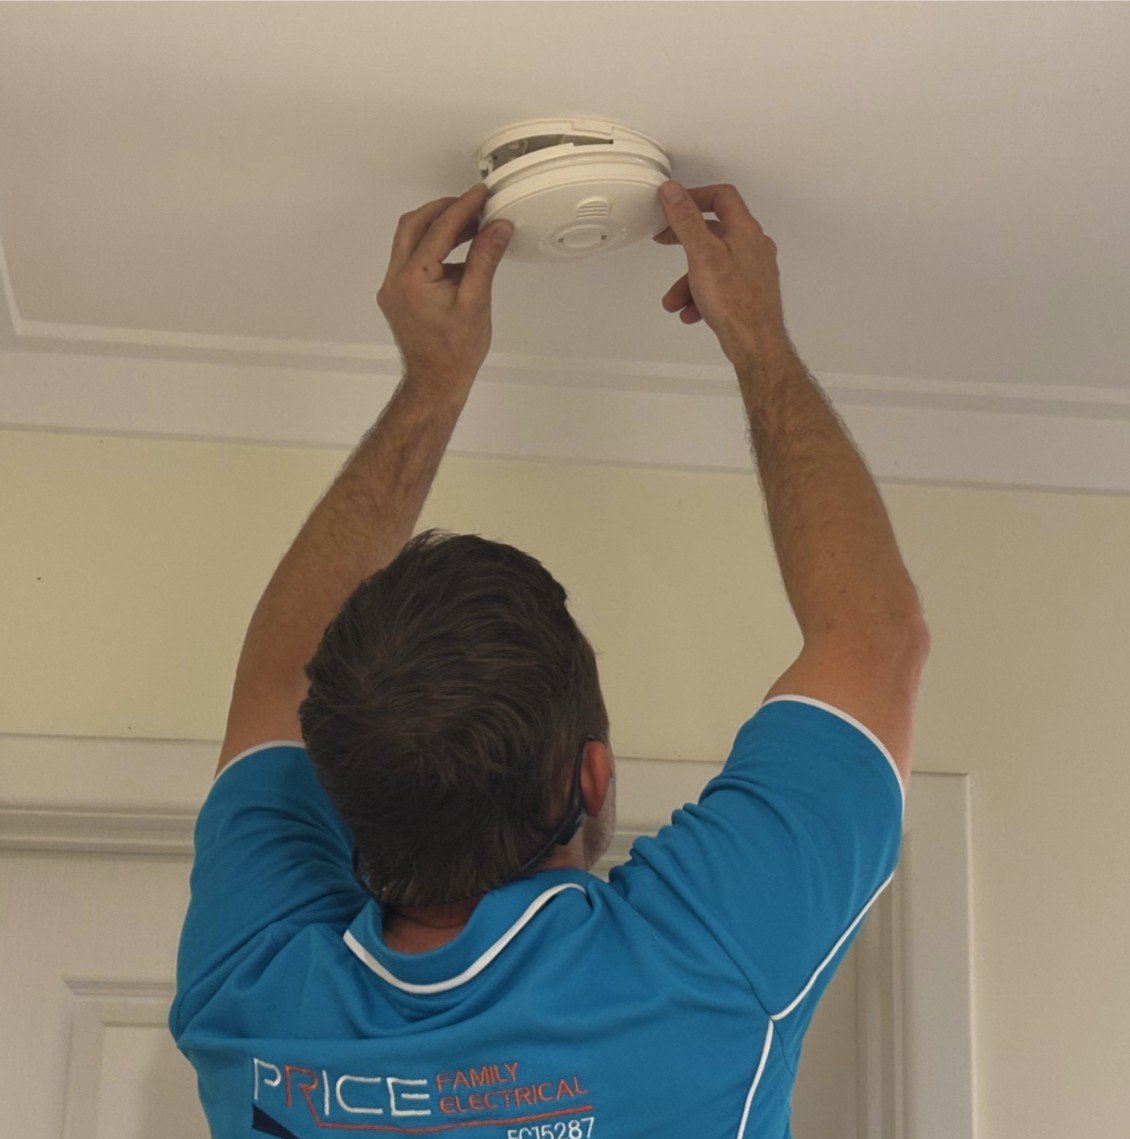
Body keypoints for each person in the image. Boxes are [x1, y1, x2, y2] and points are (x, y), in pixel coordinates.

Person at [169, 180, 930, 1137]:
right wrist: (760, 347)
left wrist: (430, 387)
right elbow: (873, 636)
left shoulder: (247, 998)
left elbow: (876, 637)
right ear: (591, 775)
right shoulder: (701, 967)